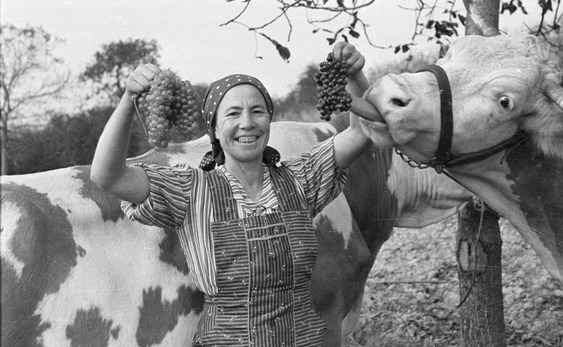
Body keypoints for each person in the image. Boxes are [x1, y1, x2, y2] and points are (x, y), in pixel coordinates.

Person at [90, 42, 371, 347]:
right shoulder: (191, 191)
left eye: (257, 111)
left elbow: (360, 131)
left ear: (269, 120)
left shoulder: (300, 179)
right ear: (214, 128)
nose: (247, 123)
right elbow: (108, 174)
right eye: (233, 113)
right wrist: (128, 103)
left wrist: (355, 76)